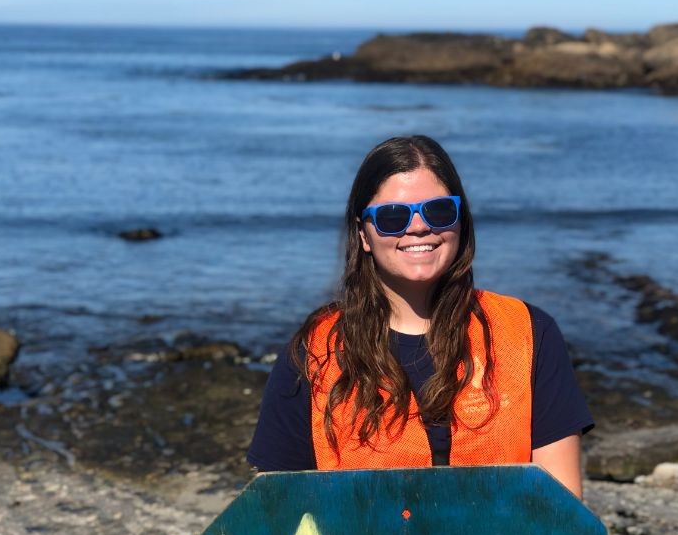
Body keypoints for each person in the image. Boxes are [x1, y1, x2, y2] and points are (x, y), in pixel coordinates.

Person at [248, 135, 592, 495]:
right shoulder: (313, 352)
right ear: (363, 234)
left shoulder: (528, 334)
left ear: (461, 221)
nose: (418, 227)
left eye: (439, 211)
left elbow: (563, 507)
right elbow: (276, 512)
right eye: (392, 217)